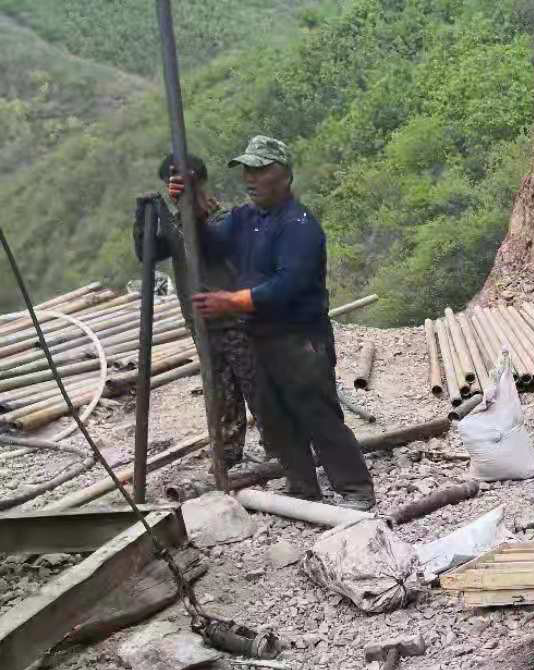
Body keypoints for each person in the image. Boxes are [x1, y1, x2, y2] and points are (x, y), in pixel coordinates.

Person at [170, 135, 374, 509]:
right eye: (247, 170)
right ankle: (302, 486)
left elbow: (289, 284)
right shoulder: (245, 219)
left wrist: (233, 301)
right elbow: (210, 247)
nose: (250, 178)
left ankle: (356, 489)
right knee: (275, 418)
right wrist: (192, 208)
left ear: (285, 176)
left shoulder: (299, 224)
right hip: (257, 335)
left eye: (260, 170)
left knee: (317, 414)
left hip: (299, 339)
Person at [134, 153, 262, 467]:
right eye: (172, 184)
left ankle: (284, 450)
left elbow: (207, 244)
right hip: (202, 325)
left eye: (183, 183)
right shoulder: (177, 224)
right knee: (221, 394)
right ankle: (229, 455)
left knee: (259, 388)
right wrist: (143, 218)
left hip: (237, 321)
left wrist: (190, 210)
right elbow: (147, 254)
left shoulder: (224, 217)